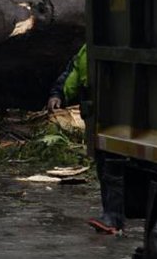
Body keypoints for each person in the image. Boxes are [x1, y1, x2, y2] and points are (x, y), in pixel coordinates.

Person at [47, 44, 125, 235]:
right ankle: (110, 216)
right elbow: (73, 72)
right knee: (103, 165)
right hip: (95, 113)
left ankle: (113, 218)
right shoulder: (87, 49)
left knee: (112, 167)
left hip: (116, 115)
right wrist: (58, 94)